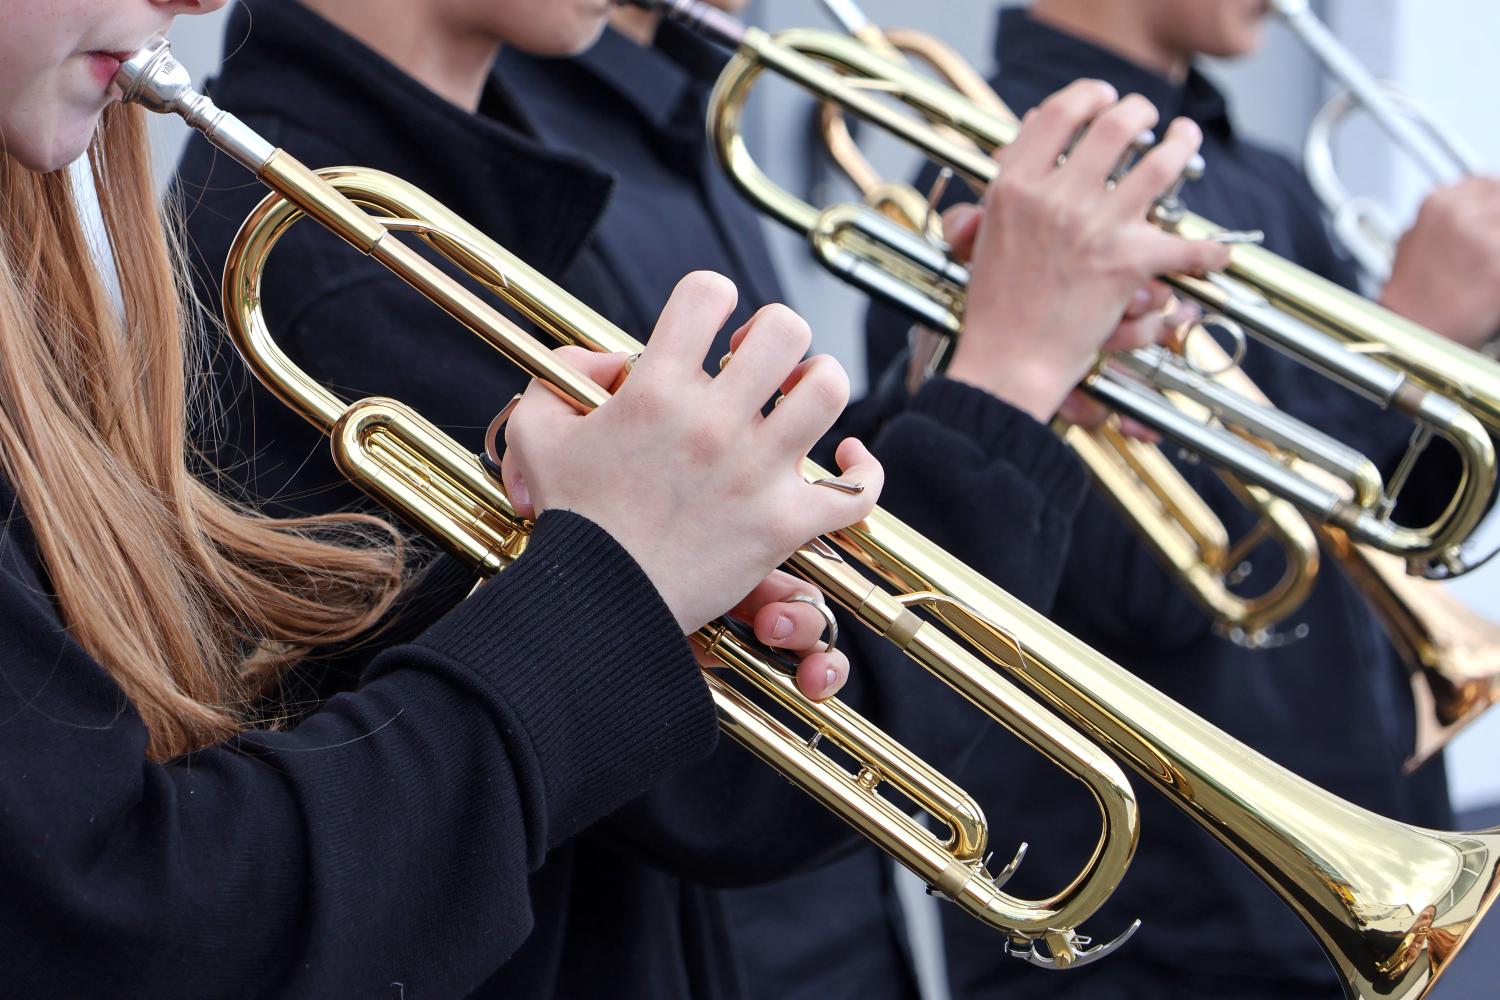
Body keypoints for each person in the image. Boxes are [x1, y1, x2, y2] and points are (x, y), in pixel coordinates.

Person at [172, 1, 1229, 997]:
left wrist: (970, 364)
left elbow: (735, 593)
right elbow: (739, 777)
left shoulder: (473, 189)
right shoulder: (338, 254)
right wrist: (1008, 376)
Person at [0, 0, 881, 995]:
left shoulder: (515, 179)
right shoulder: (330, 267)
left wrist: (630, 582)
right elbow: (135, 926)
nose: (202, 1)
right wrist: (601, 595)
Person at [865, 2, 1495, 997]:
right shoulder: (1000, 183)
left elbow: (1381, 530)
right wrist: (1402, 333)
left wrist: (1454, 364)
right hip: (1158, 935)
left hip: (1350, 879)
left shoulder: (1267, 179)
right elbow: (1159, 581)